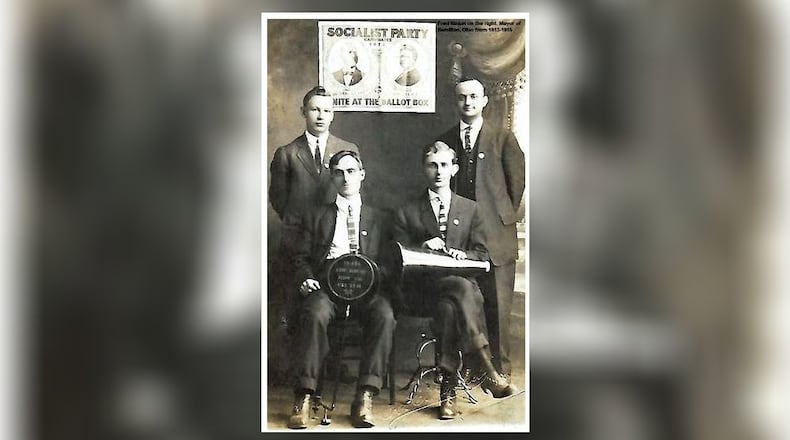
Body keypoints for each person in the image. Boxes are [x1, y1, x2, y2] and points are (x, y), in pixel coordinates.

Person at [392, 142, 519, 420]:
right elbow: (397, 259)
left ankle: (447, 391)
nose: (439, 171)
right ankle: (486, 367)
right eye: (432, 165)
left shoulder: (470, 209)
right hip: (422, 291)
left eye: (444, 165)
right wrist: (424, 246)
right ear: (423, 169)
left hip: (455, 297)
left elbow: (482, 256)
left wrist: (464, 255)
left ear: (455, 169)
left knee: (452, 305)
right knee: (460, 290)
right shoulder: (406, 211)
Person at [287, 150, 396, 429]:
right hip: (328, 285)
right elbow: (299, 257)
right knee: (314, 313)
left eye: (351, 171)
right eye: (339, 172)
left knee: (384, 315)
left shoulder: (381, 218)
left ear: (362, 175)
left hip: (368, 289)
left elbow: (389, 262)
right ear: (332, 178)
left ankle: (365, 396)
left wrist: (372, 277)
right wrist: (306, 279)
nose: (346, 177)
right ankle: (305, 396)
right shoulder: (317, 216)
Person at [436, 78, 525, 377]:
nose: (468, 102)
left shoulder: (503, 138)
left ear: (485, 100)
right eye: (462, 98)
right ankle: (472, 366)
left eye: (474, 96)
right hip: (461, 235)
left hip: (496, 233)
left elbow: (517, 182)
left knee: (498, 303)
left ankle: (499, 369)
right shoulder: (447, 140)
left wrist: (500, 216)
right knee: (468, 300)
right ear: (456, 102)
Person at [268, 86, 359, 331]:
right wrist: (301, 222)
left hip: (334, 242)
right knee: (297, 312)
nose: (320, 115)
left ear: (333, 115)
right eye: (315, 109)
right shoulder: (287, 153)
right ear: (303, 112)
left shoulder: (347, 149)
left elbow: (351, 195)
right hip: (298, 242)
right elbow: (278, 199)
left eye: (326, 110)